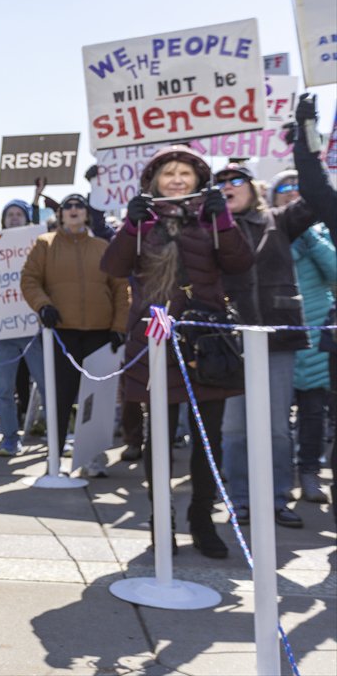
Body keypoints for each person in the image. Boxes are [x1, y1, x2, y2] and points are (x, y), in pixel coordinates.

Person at [101, 145, 253, 558]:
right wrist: (131, 228)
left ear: (199, 180)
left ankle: (203, 522)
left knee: (209, 439)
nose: (177, 179)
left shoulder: (211, 219)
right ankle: (160, 521)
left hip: (207, 343)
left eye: (185, 173)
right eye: (168, 172)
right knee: (159, 438)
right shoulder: (142, 222)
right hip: (155, 342)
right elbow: (112, 268)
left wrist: (223, 219)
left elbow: (240, 262)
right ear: (154, 181)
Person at [214, 162, 315, 528]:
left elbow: (318, 198)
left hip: (276, 339)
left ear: (252, 187)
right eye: (221, 182)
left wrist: (305, 150)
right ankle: (240, 499)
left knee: (275, 427)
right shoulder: (211, 228)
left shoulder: (278, 220)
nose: (228, 186)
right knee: (234, 428)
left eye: (235, 179)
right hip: (229, 344)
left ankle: (275, 499)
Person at [21, 193, 130, 459]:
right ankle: (55, 458)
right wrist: (43, 305)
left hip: (101, 334)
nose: (73, 209)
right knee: (61, 397)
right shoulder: (44, 245)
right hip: (61, 334)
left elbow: (121, 289)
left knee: (97, 400)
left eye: (78, 205)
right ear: (59, 214)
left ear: (86, 213)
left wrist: (119, 327)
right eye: (67, 205)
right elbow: (30, 280)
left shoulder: (103, 247)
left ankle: (94, 458)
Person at [269, 170, 334, 505]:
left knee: (313, 415)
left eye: (298, 187)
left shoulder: (323, 234)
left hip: (317, 337)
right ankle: (278, 479)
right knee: (276, 421)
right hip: (278, 336)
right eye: (284, 188)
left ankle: (309, 473)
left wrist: (312, 239)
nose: (292, 193)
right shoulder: (267, 233)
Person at [0, 193, 47, 457]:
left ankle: (58, 435)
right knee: (3, 388)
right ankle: (10, 437)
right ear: (3, 220)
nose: (13, 218)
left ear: (26, 218)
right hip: (2, 331)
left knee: (47, 385)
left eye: (18, 214)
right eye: (9, 214)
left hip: (33, 328)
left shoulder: (40, 245)